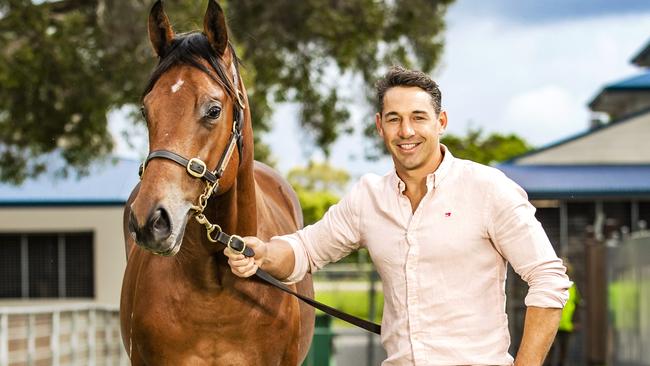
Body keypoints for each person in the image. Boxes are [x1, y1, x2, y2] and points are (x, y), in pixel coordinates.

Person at [225, 66, 571, 366]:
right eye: (394, 119)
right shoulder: (368, 198)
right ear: (380, 126)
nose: (406, 131)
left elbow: (548, 278)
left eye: (418, 117)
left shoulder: (487, 188)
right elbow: (304, 251)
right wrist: (264, 253)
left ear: (441, 122)